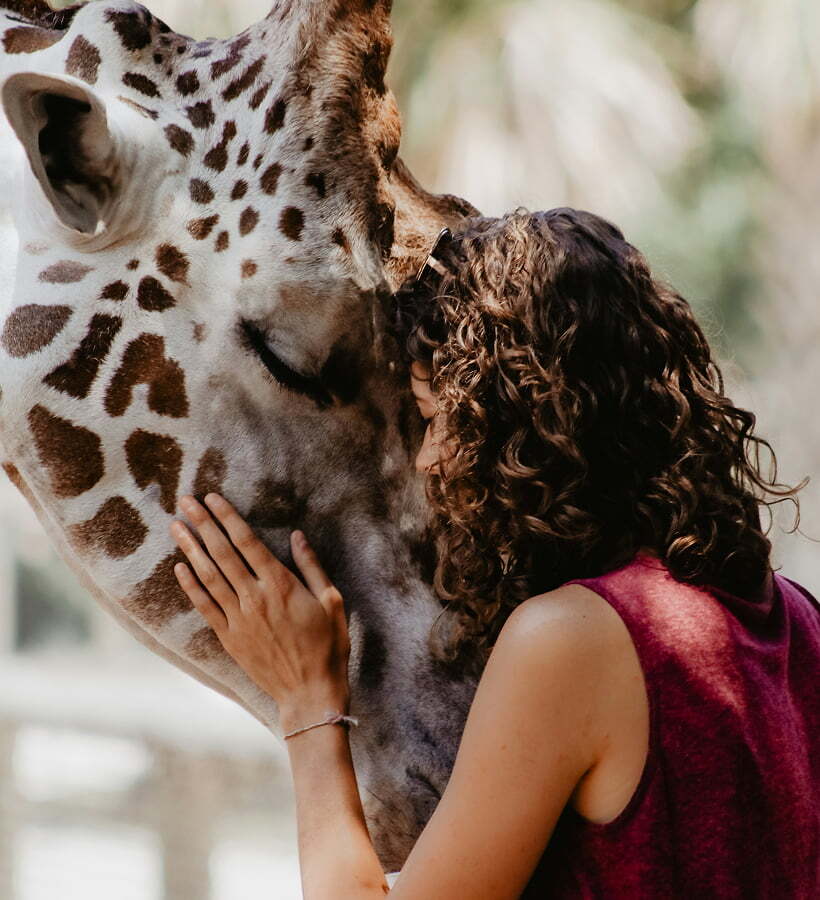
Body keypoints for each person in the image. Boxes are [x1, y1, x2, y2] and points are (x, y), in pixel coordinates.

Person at [168, 208, 820, 899]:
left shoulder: (576, 639)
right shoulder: (797, 621)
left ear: (522, 420)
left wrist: (306, 703)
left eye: (440, 417)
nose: (430, 459)